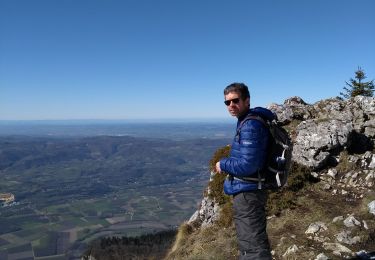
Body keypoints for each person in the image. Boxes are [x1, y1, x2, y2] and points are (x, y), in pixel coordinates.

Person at [215, 82, 274, 260]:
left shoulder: (250, 126)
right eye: (227, 102)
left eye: (235, 100)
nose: (231, 105)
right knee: (254, 241)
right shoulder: (247, 120)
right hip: (251, 189)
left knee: (252, 248)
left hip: (248, 192)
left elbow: (249, 165)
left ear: (246, 100)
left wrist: (223, 164)